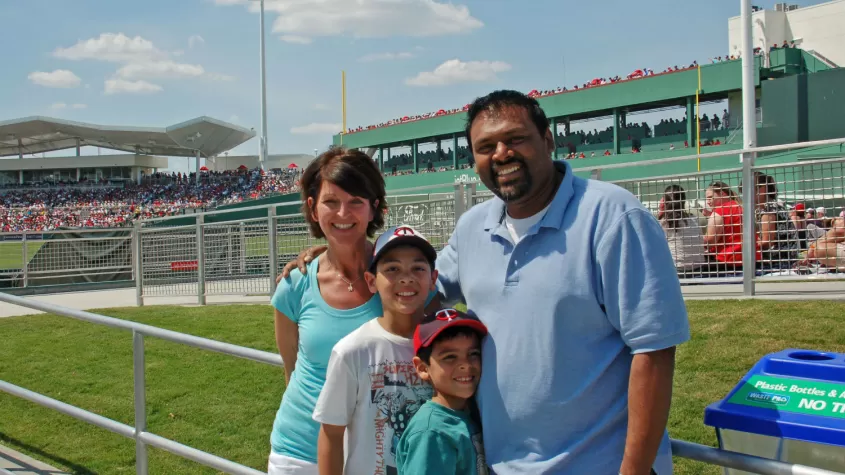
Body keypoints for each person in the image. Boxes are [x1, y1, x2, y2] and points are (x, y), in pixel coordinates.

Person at [281, 90, 690, 474]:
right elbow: (413, 287)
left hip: (597, 463)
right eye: (485, 146)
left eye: (516, 139)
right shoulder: (474, 226)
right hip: (500, 463)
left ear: (548, 140)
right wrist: (340, 249)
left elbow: (653, 350)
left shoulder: (613, 216)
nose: (501, 154)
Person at [268, 147, 387, 475]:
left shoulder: (401, 277)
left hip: (379, 452)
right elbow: (291, 371)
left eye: (356, 201)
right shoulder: (294, 284)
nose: (343, 213)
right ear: (313, 207)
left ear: (373, 207)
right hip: (300, 451)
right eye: (331, 202)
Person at [312, 225, 438, 475]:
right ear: (371, 281)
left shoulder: (446, 346)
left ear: (433, 279)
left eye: (418, 268)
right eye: (392, 269)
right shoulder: (352, 350)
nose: (406, 278)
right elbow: (331, 434)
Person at [396, 308, 489, 475]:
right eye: (450, 357)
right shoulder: (431, 431)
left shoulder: (469, 412)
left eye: (473, 353)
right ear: (422, 368)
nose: (465, 364)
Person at [657, 184, 705, 277]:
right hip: (699, 268)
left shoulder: (664, 223)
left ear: (664, 201)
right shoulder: (694, 218)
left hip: (676, 269)